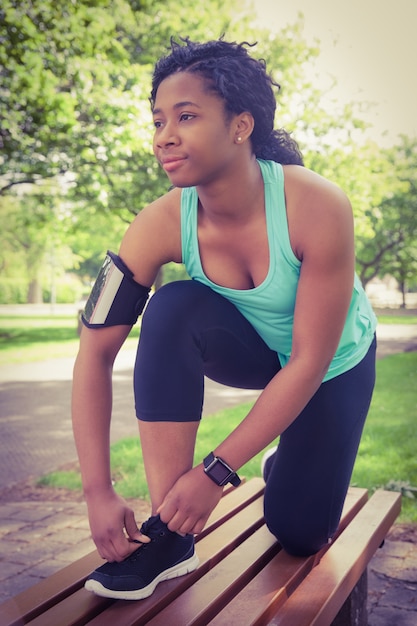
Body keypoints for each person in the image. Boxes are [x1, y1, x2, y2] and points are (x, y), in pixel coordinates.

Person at [72, 37, 377, 601]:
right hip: (254, 348)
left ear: (241, 126)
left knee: (301, 534)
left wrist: (215, 473)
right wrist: (96, 489)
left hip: (332, 363)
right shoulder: (157, 224)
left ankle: (289, 462)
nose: (164, 135)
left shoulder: (317, 204)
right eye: (159, 120)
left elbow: (309, 361)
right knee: (172, 306)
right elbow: (93, 352)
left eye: (186, 116)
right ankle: (170, 534)